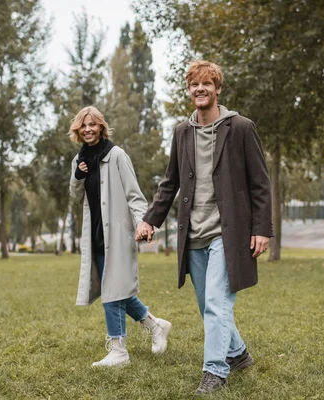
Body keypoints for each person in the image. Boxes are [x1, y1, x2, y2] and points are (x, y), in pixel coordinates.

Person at [136, 60, 272, 395]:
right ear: (189, 90)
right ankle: (238, 354)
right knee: (209, 305)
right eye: (195, 84)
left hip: (229, 234)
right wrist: (150, 219)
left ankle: (215, 371)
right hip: (192, 234)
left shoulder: (240, 127)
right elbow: (170, 182)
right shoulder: (182, 132)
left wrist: (262, 228)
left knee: (216, 301)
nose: (200, 89)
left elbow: (261, 183)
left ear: (217, 89)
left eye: (207, 84)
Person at [69, 106, 172, 367]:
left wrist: (143, 224)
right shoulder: (78, 160)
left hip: (117, 234)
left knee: (112, 291)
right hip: (95, 236)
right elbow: (74, 197)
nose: (88, 129)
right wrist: (77, 177)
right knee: (117, 290)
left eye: (93, 124)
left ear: (101, 127)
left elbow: (134, 195)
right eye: (84, 125)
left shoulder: (116, 155)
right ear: (78, 130)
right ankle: (155, 326)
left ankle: (119, 350)